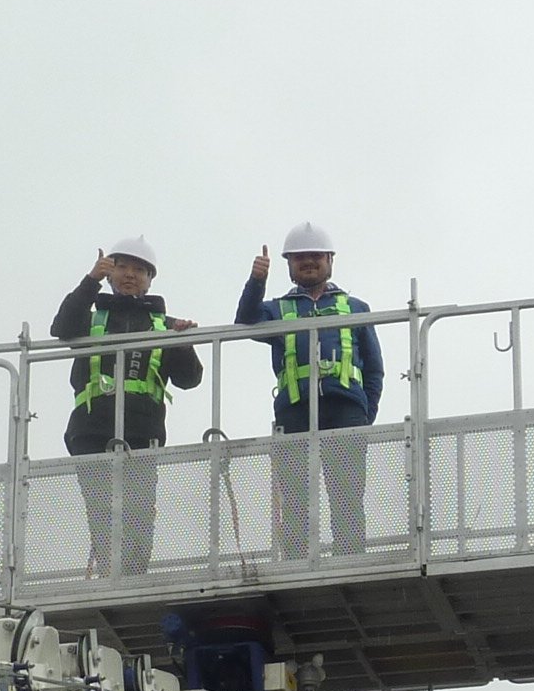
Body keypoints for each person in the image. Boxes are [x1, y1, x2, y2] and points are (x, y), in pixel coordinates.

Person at [50, 236, 202, 577]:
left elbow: (190, 379)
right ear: (110, 272)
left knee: (139, 510)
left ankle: (133, 575)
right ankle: (111, 574)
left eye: (139, 270)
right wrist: (90, 281)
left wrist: (181, 343)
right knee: (102, 508)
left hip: (143, 427)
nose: (129, 275)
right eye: (122, 267)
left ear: (150, 279)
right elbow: (61, 327)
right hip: (91, 426)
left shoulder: (164, 324)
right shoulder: (91, 318)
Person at [234, 222, 383, 558]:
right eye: (300, 257)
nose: (309, 262)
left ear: (330, 260)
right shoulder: (277, 309)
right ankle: (297, 562)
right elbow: (245, 321)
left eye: (315, 256)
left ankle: (350, 559)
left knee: (346, 492)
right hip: (295, 409)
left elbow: (373, 369)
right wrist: (256, 281)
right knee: (296, 493)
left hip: (346, 408)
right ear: (289, 265)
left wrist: (364, 413)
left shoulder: (355, 308)